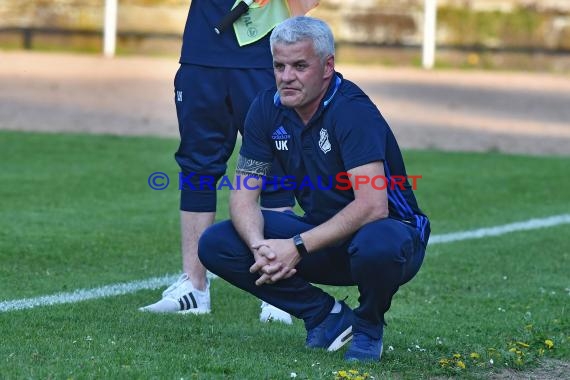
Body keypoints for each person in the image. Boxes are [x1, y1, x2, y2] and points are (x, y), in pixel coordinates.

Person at [197, 16, 430, 362]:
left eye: (299, 66)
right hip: (323, 236)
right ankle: (326, 317)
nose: (286, 76)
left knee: (377, 243)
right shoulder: (266, 108)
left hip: (393, 239)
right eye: (279, 65)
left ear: (327, 66)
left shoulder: (352, 111)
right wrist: (260, 246)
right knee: (218, 243)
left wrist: (296, 247)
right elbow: (243, 195)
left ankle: (368, 327)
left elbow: (373, 206)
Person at [139, 0, 301, 323]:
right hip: (202, 50)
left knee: (275, 168)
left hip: (263, 51)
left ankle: (280, 293)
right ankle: (194, 287)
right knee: (197, 166)